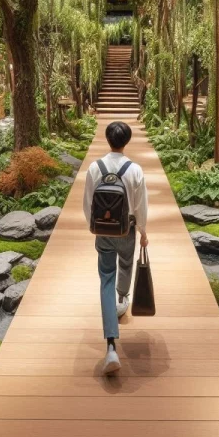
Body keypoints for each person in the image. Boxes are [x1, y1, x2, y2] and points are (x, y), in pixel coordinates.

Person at [83, 121, 148, 376]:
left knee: (105, 279)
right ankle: (123, 298)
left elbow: (88, 202)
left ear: (108, 139)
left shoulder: (94, 168)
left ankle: (111, 346)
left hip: (103, 232)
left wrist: (95, 228)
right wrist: (143, 230)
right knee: (126, 264)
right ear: (127, 141)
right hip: (127, 230)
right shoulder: (135, 170)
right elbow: (141, 205)